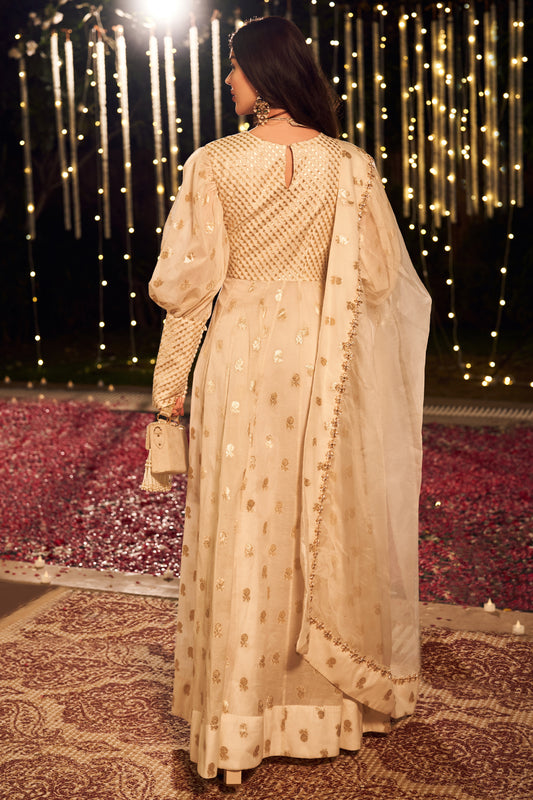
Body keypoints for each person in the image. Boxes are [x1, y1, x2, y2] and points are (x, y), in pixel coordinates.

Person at [147, 15, 431, 783]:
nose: (228, 81)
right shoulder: (350, 167)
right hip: (321, 362)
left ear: (262, 74)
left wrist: (167, 395)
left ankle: (238, 718)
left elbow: (189, 293)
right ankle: (323, 709)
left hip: (239, 362)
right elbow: (377, 279)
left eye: (234, 68)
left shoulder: (213, 164)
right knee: (321, 519)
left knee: (243, 523)